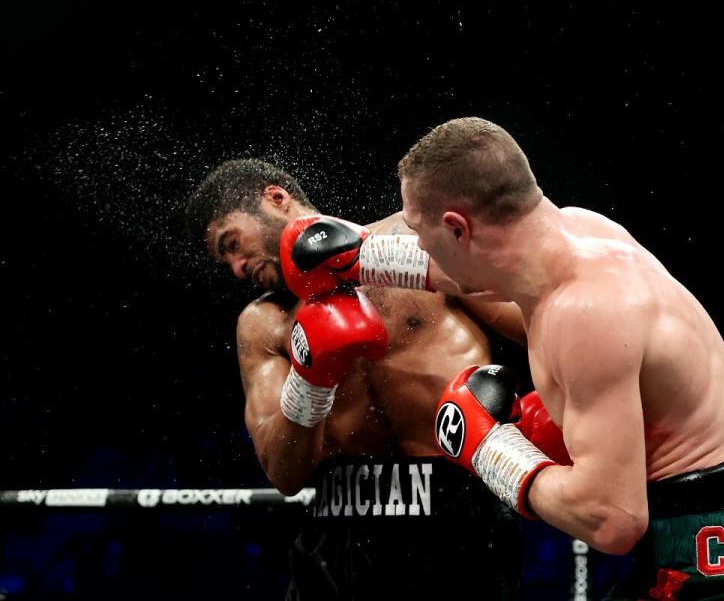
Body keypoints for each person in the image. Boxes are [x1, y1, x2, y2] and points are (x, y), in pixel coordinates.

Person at [293, 118, 724, 600]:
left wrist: (490, 448)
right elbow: (482, 278)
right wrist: (360, 257)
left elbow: (612, 520)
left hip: (712, 571)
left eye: (417, 229)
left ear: (458, 227)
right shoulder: (583, 231)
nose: (414, 240)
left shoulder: (581, 315)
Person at [184, 158, 571, 601]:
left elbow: (537, 323)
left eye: (233, 243)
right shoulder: (262, 323)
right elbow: (284, 473)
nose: (236, 267)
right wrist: (310, 382)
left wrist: (570, 411)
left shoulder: (415, 243)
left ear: (276, 198)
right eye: (224, 260)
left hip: (458, 510)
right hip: (340, 527)